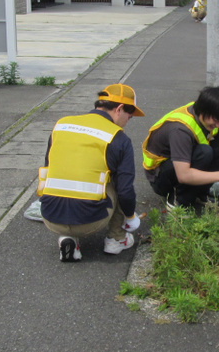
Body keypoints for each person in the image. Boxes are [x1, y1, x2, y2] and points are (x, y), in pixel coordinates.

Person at [39, 84, 143, 262]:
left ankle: (68, 238)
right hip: (91, 221)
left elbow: (48, 167)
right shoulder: (118, 138)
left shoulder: (62, 125)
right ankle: (116, 239)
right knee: (116, 180)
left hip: (50, 217)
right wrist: (131, 216)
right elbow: (125, 191)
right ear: (119, 109)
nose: (128, 120)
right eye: (130, 115)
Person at [142, 86, 219, 210]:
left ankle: (199, 193)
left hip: (181, 163)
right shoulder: (180, 130)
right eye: (216, 120)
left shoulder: (208, 116)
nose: (218, 125)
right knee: (204, 152)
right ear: (205, 110)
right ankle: (178, 201)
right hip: (161, 179)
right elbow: (183, 175)